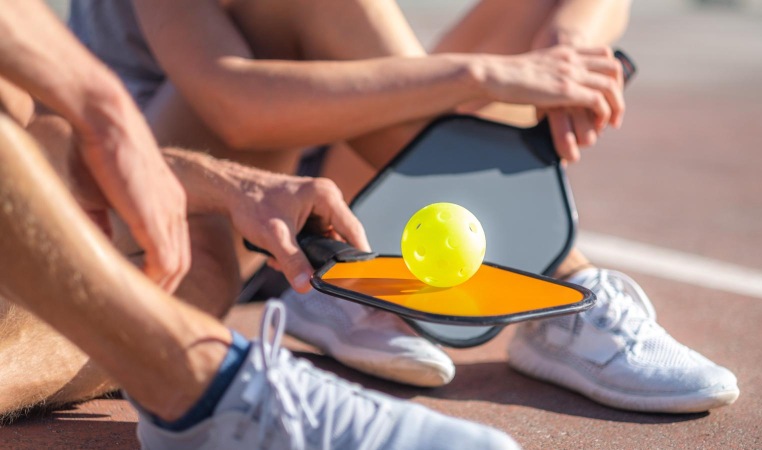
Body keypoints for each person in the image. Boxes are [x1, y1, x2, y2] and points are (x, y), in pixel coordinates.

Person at [65, 0, 740, 414]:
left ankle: (352, 281)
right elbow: (232, 105)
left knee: (540, 16)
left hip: (332, 162)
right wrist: (481, 76)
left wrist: (569, 50)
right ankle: (561, 281)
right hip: (182, 180)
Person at [0, 2, 524, 448]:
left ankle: (202, 363)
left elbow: (33, 121)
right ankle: (199, 377)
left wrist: (217, 181)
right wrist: (476, 74)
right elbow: (233, 102)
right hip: (161, 125)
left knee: (193, 257)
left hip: (126, 153)